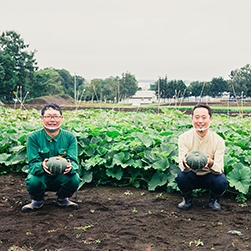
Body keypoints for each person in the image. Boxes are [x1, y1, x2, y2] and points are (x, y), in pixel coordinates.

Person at [22, 103, 81, 212]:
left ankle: (63, 198)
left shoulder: (70, 138)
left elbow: (74, 162)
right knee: (33, 180)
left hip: (62, 175)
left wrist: (70, 167)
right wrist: (41, 165)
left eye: (56, 116)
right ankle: (37, 200)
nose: (52, 119)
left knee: (74, 179)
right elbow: (33, 164)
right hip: (42, 175)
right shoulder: (33, 138)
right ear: (42, 118)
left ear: (61, 118)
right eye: (48, 116)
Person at [175, 104, 228, 211]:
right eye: (197, 117)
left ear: (210, 119)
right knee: (181, 177)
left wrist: (210, 163)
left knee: (221, 180)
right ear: (192, 119)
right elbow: (181, 165)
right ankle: (187, 199)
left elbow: (219, 169)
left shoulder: (219, 141)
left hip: (210, 175)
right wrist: (185, 162)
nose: (200, 121)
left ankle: (214, 200)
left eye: (204, 117)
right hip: (192, 174)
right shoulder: (184, 138)